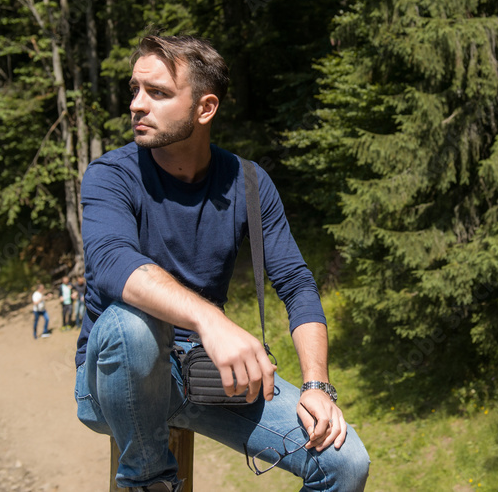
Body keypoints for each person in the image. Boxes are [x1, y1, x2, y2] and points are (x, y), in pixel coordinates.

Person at [74, 34, 369, 491]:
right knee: (132, 323)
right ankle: (148, 482)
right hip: (114, 381)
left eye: (157, 92)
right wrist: (211, 320)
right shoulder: (110, 175)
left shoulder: (249, 182)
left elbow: (296, 283)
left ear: (205, 108)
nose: (136, 104)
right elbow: (114, 262)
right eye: (135, 89)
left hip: (204, 376)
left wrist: (317, 386)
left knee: (345, 463)